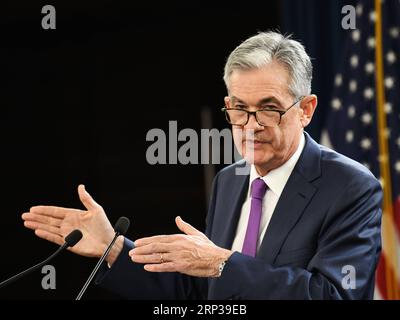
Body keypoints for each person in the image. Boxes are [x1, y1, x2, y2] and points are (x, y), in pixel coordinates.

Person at [22, 31, 382, 299]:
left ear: (305, 110)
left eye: (269, 108)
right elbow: (202, 293)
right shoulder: (230, 181)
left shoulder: (350, 187)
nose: (250, 125)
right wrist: (114, 248)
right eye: (239, 109)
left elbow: (332, 295)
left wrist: (221, 262)